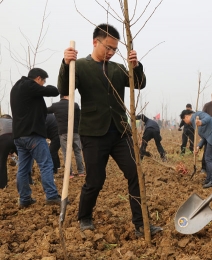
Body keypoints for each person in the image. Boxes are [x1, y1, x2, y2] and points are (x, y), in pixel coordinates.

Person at [58, 23, 162, 236]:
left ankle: (141, 224)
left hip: (120, 132)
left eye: (115, 49)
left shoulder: (117, 69)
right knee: (95, 180)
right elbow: (63, 87)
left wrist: (136, 66)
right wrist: (66, 63)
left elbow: (139, 83)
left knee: (135, 173)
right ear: (95, 42)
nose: (111, 52)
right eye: (108, 47)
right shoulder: (81, 66)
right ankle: (84, 217)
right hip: (93, 133)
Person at [10, 68, 62, 208]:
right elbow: (54, 91)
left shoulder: (16, 88)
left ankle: (25, 199)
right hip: (33, 135)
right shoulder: (29, 85)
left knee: (23, 168)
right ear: (38, 78)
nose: (44, 84)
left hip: (19, 136)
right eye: (43, 81)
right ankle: (51, 196)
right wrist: (47, 87)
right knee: (46, 165)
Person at [180, 109, 212, 188]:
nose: (185, 122)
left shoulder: (197, 115)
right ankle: (209, 179)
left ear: (186, 117)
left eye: (184, 120)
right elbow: (204, 136)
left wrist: (201, 122)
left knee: (209, 158)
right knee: (207, 158)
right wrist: (198, 146)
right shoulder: (194, 124)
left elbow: (208, 118)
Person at [47, 95, 85, 178]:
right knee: (78, 152)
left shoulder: (55, 106)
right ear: (66, 96)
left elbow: (45, 111)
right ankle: (81, 172)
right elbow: (79, 118)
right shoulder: (74, 105)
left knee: (66, 153)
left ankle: (70, 173)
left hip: (63, 132)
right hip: (75, 131)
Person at [0, 114, 17, 189]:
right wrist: (12, 150)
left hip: (4, 139)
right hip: (16, 138)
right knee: (24, 160)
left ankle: (2, 184)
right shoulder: (13, 120)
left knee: (2, 162)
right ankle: (28, 180)